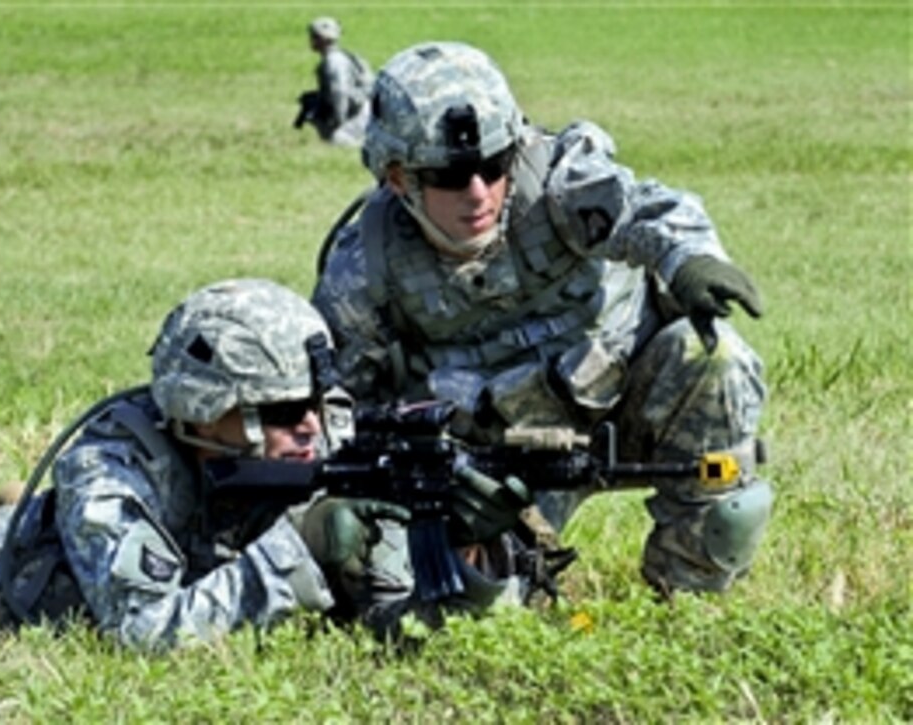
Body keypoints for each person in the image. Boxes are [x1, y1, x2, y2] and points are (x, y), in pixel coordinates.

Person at [0, 279, 534, 649]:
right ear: (202, 411)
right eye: (283, 410)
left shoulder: (326, 441)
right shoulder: (112, 467)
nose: (313, 426)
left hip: (170, 548)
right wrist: (298, 551)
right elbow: (144, 632)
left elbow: (401, 614)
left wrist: (467, 550)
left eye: (319, 401)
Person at [312, 42, 775, 597]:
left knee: (711, 354)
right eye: (450, 176)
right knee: (462, 603)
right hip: (488, 471)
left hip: (622, 409)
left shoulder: (557, 181)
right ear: (397, 178)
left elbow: (643, 208)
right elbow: (336, 407)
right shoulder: (365, 264)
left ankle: (692, 596)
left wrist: (689, 259)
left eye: (493, 165)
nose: (478, 193)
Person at [292, 16, 373, 147]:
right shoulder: (339, 56)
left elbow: (339, 94)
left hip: (358, 117)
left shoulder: (333, 62)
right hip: (362, 111)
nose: (311, 40)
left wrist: (338, 124)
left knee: (335, 140)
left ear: (322, 39)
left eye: (313, 36)